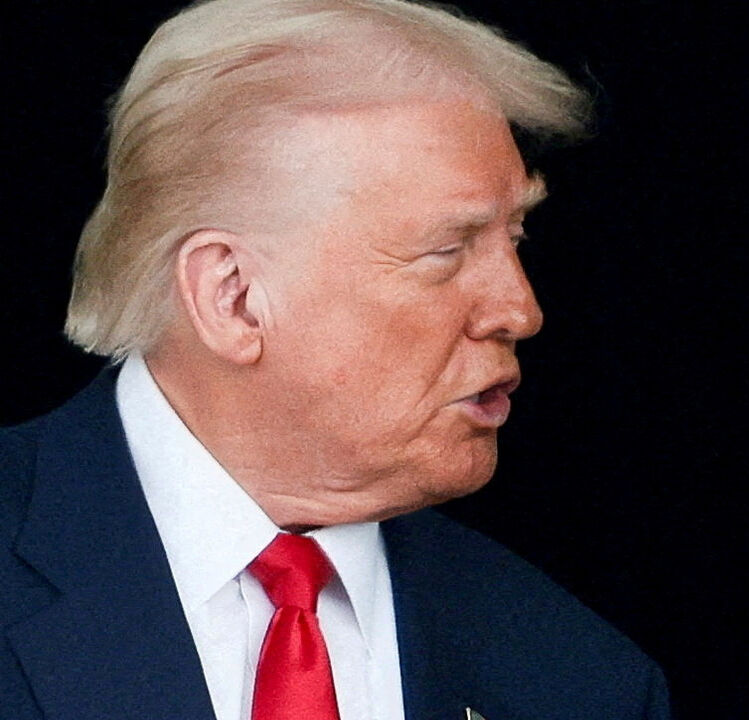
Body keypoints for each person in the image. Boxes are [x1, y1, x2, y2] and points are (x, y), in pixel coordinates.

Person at [0, 1, 671, 719]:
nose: (520, 310)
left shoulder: (578, 678)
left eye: (517, 238)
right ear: (233, 297)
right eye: (447, 251)